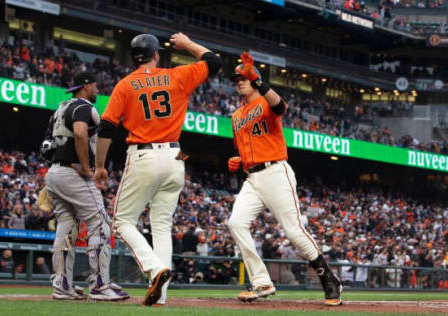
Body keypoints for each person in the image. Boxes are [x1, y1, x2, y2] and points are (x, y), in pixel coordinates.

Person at [95, 32, 222, 306]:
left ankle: (154, 270)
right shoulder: (177, 75)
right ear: (156, 55)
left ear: (134, 58)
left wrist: (99, 166)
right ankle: (161, 296)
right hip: (175, 156)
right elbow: (214, 62)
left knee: (122, 222)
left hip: (143, 155)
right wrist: (188, 43)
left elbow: (106, 127)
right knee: (162, 225)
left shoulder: (126, 85)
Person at [226, 52, 342, 305]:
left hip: (275, 172)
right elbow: (243, 147)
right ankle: (261, 282)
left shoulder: (266, 102)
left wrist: (256, 79)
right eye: (236, 80)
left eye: (242, 78)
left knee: (293, 230)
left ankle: (329, 279)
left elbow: (281, 106)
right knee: (235, 223)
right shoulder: (235, 116)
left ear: (253, 80)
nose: (239, 82)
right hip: (252, 178)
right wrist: (238, 160)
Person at [43, 71, 129, 301]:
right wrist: (85, 167)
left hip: (54, 172)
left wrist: (58, 168)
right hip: (73, 174)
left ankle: (62, 285)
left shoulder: (59, 109)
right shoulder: (82, 107)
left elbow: (46, 147)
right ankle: (100, 284)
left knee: (66, 227)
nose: (97, 90)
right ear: (86, 86)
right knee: (99, 224)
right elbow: (81, 133)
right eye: (95, 86)